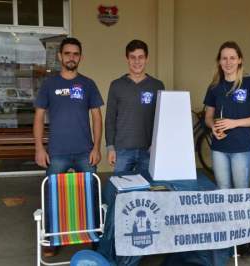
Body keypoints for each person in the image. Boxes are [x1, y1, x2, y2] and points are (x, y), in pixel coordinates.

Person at [33, 37, 104, 256]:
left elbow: (97, 118)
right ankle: (53, 239)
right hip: (57, 153)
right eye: (67, 53)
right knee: (52, 196)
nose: (71, 57)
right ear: (60, 56)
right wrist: (39, 148)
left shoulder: (88, 84)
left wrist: (96, 148)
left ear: (80, 57)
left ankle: (94, 236)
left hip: (85, 151)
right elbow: (38, 117)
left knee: (91, 193)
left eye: (75, 54)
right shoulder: (49, 84)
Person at [203, 41, 250, 189]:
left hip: (242, 148)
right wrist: (213, 126)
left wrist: (234, 123)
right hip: (219, 148)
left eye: (232, 58)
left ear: (240, 60)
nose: (228, 62)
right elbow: (208, 118)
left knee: (241, 192)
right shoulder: (214, 87)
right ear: (219, 61)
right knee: (222, 190)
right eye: (224, 58)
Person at [105, 39, 164, 175]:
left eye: (140, 57)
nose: (137, 61)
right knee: (121, 191)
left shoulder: (157, 86)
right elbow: (110, 119)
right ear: (127, 59)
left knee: (147, 193)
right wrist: (110, 148)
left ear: (146, 58)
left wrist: (156, 146)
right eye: (133, 57)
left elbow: (161, 120)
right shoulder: (116, 85)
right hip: (122, 151)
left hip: (148, 150)